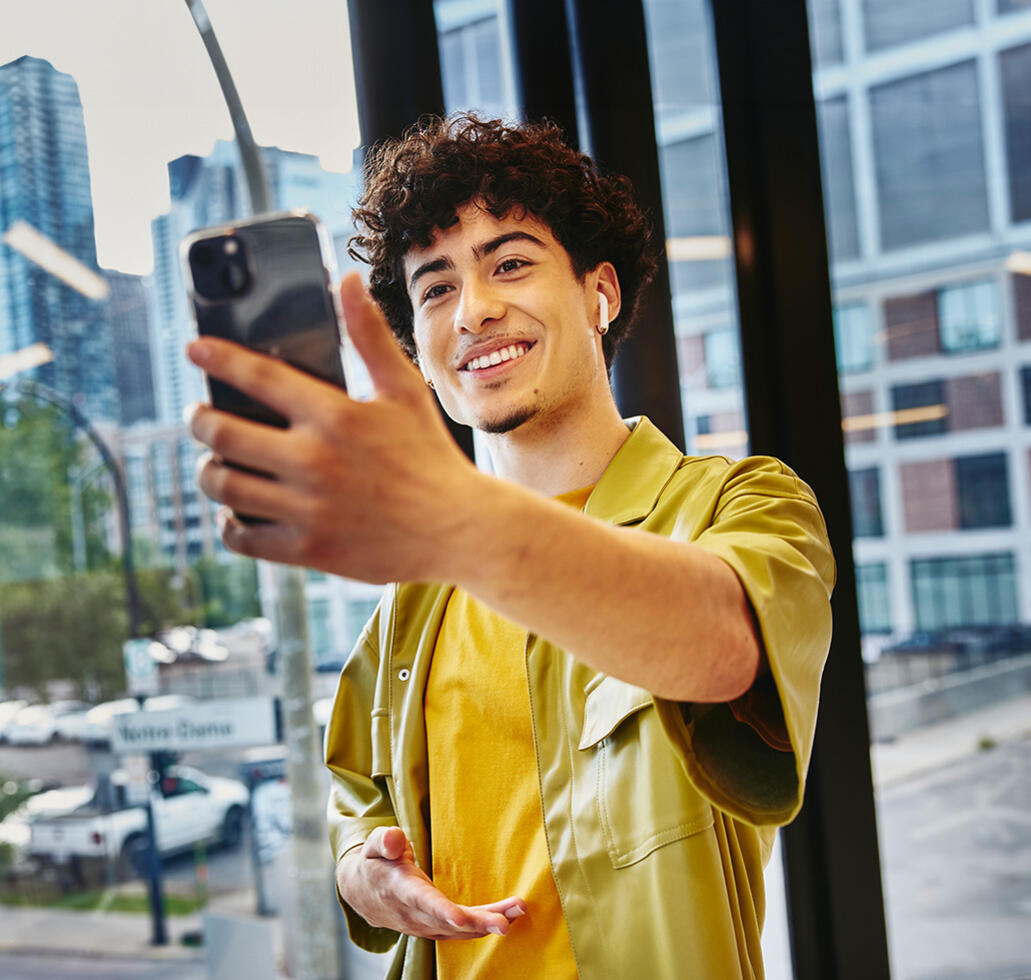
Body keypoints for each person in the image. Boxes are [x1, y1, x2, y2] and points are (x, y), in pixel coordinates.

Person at [187, 114, 835, 979]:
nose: (476, 309)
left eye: (511, 263)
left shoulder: (739, 503)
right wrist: (363, 874)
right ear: (418, 353)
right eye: (436, 289)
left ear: (599, 292)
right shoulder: (413, 598)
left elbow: (723, 647)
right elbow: (355, 801)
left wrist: (456, 519)